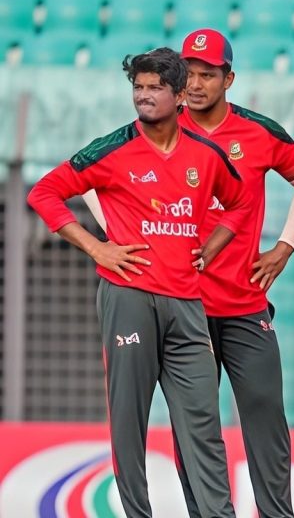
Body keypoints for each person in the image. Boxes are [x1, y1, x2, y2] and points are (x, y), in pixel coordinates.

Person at [27, 47, 253, 518]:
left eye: (155, 88)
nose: (144, 96)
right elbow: (44, 192)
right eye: (138, 87)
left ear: (180, 95)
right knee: (129, 421)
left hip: (187, 304)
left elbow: (240, 202)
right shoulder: (112, 148)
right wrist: (97, 248)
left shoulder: (206, 155)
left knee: (203, 423)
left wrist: (211, 248)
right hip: (128, 296)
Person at [173, 28, 294, 518]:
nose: (196, 84)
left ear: (229, 79)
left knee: (266, 418)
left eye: (207, 75)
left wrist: (285, 247)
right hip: (185, 308)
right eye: (189, 74)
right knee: (193, 426)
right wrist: (112, 239)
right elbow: (96, 176)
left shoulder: (258, 131)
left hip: (244, 305)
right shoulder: (161, 128)